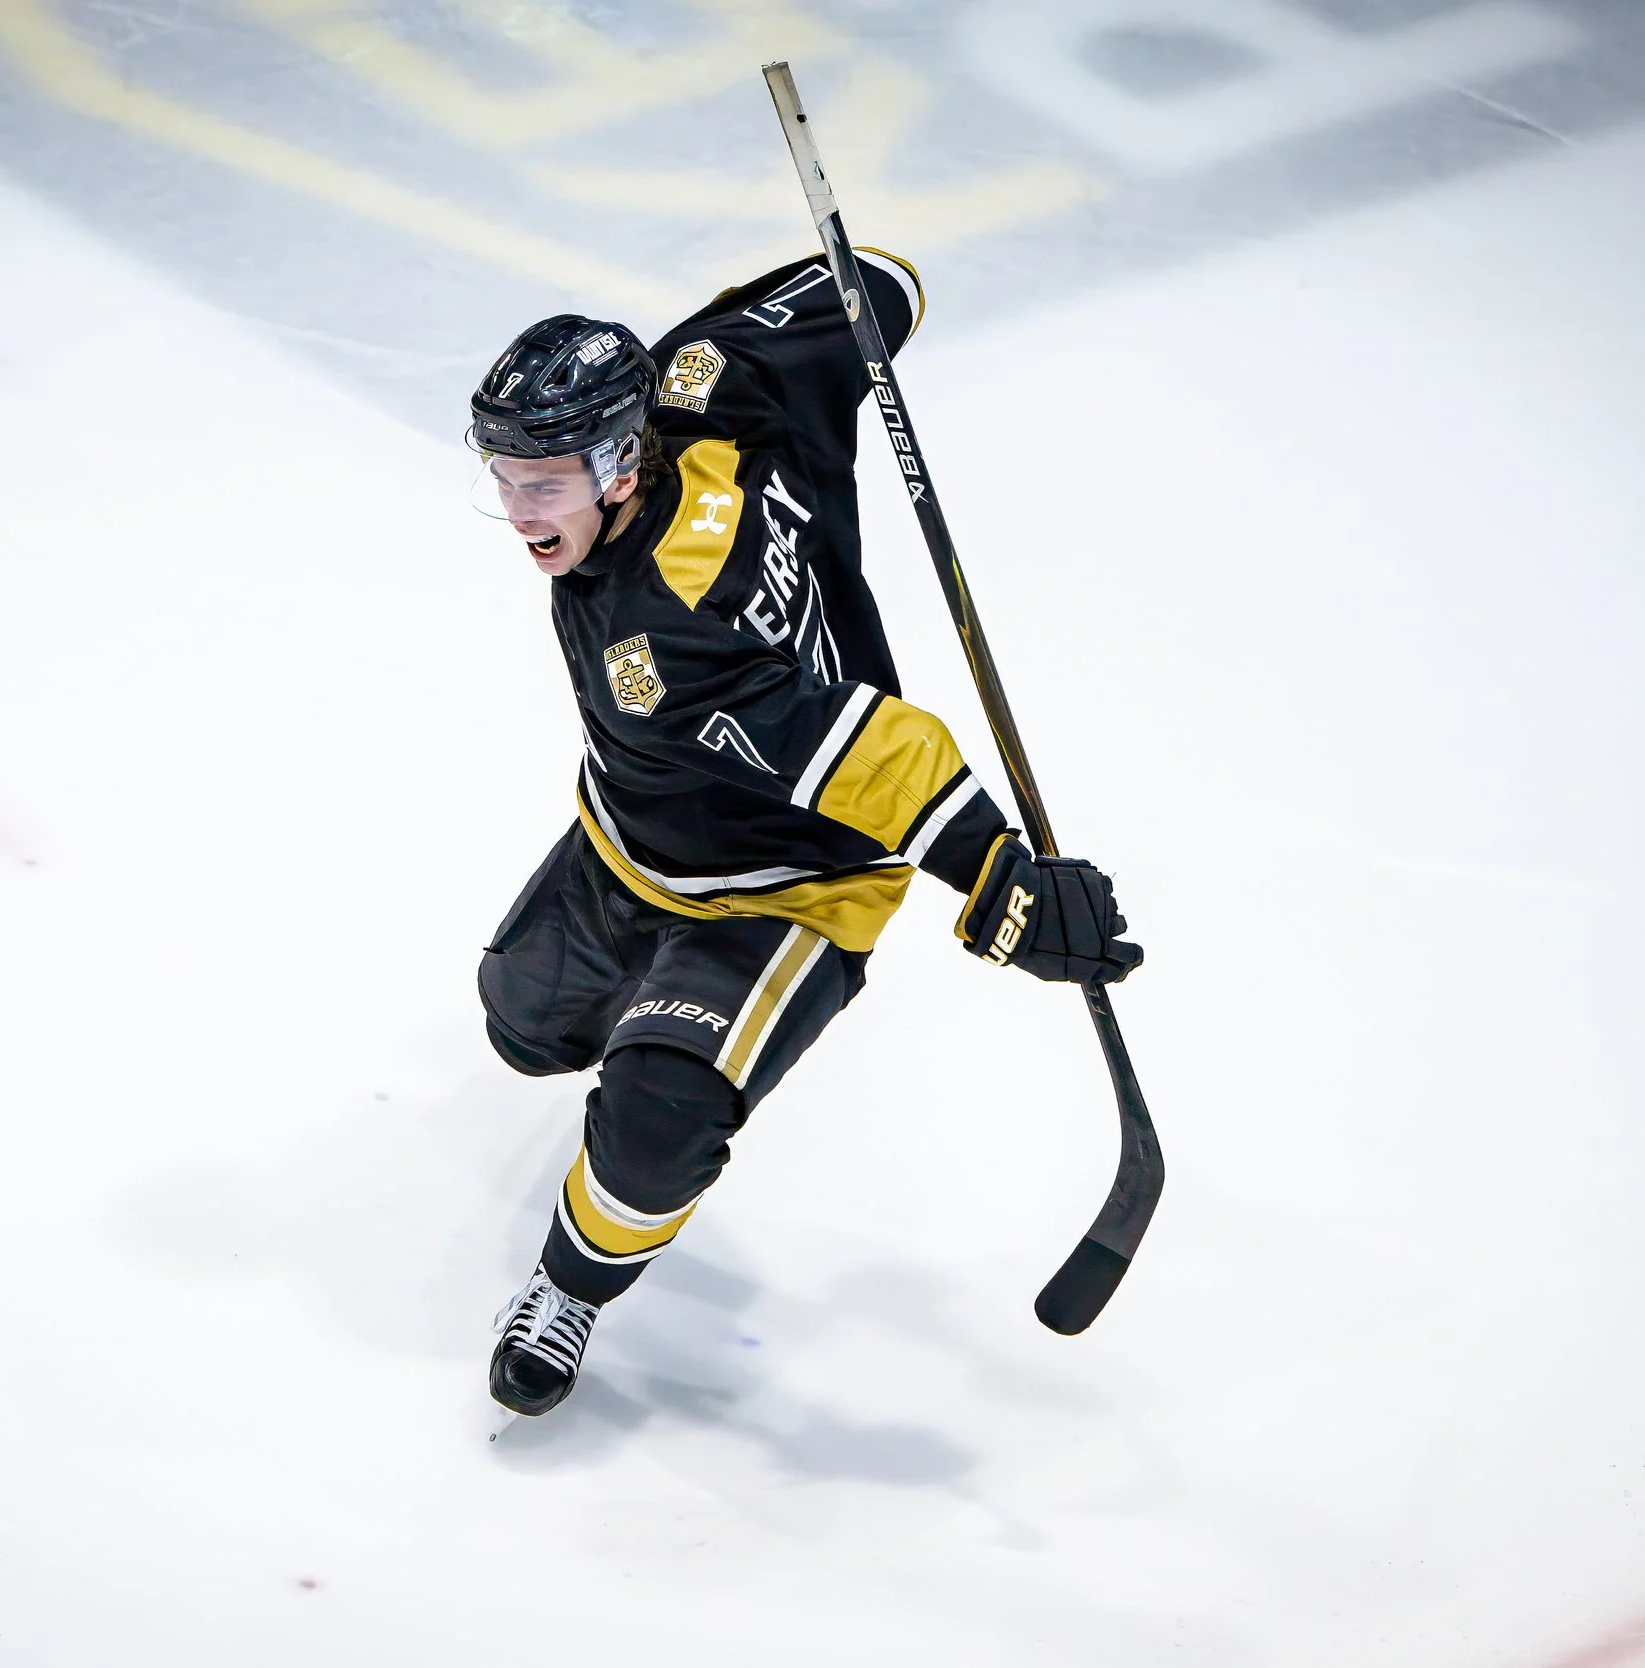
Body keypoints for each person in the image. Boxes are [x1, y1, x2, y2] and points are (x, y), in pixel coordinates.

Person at [468, 252, 1142, 1418]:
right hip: (631, 838)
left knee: (654, 1121)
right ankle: (620, 1014)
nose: (521, 511)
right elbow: (872, 281)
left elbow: (873, 752)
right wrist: (876, 299)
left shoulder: (655, 644)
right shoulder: (709, 376)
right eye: (506, 478)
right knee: (522, 1031)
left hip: (792, 882)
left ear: (621, 460)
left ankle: (567, 1288)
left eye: (544, 482)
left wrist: (994, 874)